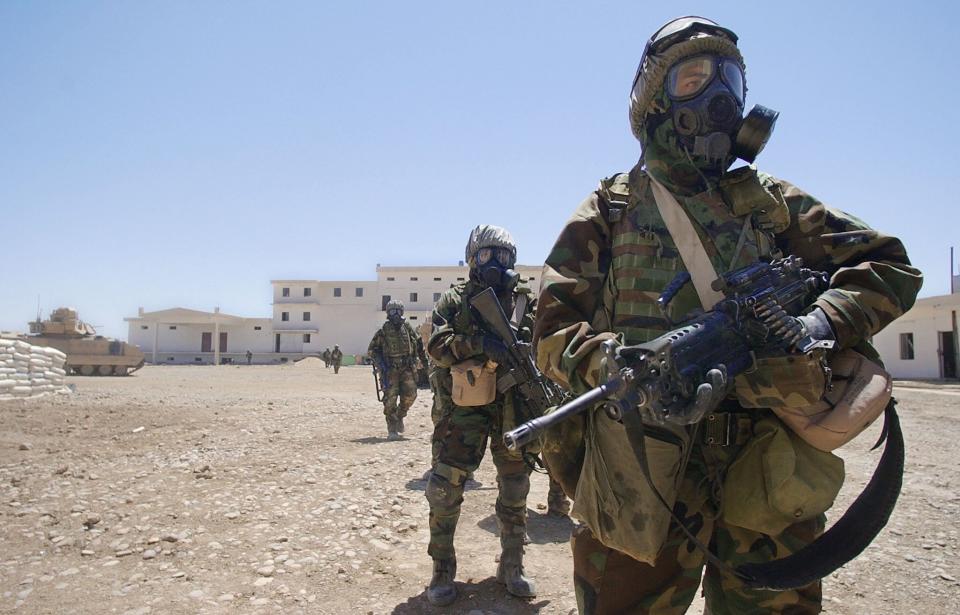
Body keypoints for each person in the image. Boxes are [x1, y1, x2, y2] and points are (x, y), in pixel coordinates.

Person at [532, 16, 922, 615]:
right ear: (654, 96)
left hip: (766, 462)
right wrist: (615, 362)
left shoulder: (771, 203)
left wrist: (817, 325)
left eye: (730, 81)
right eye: (694, 76)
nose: (718, 95)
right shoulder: (611, 208)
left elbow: (889, 265)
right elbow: (553, 332)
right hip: (645, 465)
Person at [424, 224, 538, 606]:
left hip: (513, 409)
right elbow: (436, 345)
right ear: (473, 258)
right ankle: (441, 569)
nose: (495, 262)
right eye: (487, 254)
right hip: (463, 411)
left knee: (516, 488)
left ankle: (512, 565)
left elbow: (548, 344)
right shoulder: (454, 300)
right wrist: (479, 344)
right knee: (445, 487)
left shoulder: (525, 302)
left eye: (503, 255)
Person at [368, 300, 428, 440]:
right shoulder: (383, 331)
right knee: (390, 400)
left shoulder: (407, 328)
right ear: (388, 313)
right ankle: (392, 428)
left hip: (407, 368)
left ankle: (400, 415)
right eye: (392, 311)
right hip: (390, 370)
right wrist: (381, 364)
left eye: (398, 311)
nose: (396, 314)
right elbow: (372, 350)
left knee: (411, 395)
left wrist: (425, 364)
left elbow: (419, 345)